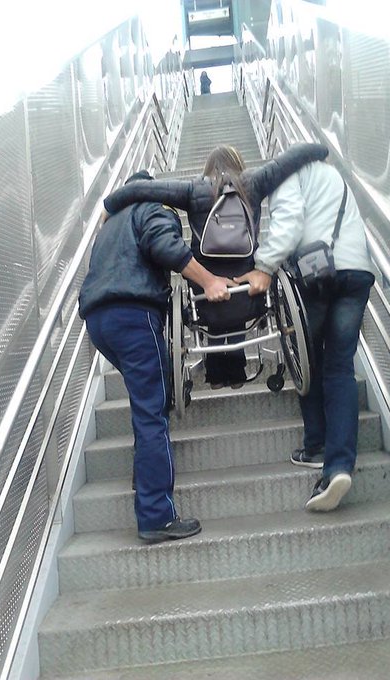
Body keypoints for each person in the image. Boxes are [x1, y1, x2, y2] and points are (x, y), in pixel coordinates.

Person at [79, 170, 235, 543]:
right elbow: (166, 247)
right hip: (134, 315)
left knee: (149, 396)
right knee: (153, 409)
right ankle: (156, 516)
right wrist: (209, 280)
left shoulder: (109, 225)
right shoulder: (151, 209)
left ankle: (145, 474)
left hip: (99, 322)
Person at [102, 143, 329, 389]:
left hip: (205, 289)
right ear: (239, 164)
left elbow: (141, 189)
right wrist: (322, 151)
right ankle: (236, 371)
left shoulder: (193, 190)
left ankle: (216, 373)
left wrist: (109, 205)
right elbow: (291, 158)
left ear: (208, 168)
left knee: (213, 300)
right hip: (247, 288)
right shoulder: (253, 182)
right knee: (239, 288)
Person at [235, 159, 375, 512]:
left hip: (317, 273)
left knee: (306, 359)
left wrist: (263, 266)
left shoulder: (286, 176)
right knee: (340, 367)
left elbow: (289, 223)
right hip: (356, 271)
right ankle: (339, 467)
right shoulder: (333, 175)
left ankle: (316, 446)